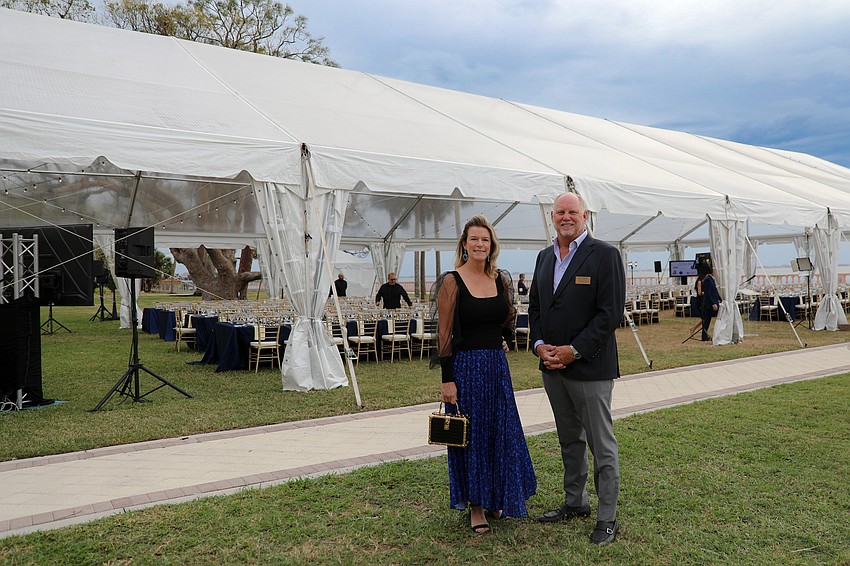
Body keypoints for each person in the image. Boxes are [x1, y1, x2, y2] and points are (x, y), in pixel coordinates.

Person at [529, 192, 625, 546]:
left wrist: (574, 351)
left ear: (585, 216)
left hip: (591, 367)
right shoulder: (544, 257)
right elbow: (535, 308)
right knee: (569, 438)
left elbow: (610, 313)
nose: (566, 217)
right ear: (552, 217)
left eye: (572, 212)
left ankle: (607, 518)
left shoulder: (605, 255)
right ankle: (576, 502)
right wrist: (540, 344)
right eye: (560, 212)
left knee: (601, 445)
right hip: (552, 367)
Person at [431, 214, 537, 535]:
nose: (480, 244)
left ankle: (497, 497)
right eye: (474, 239)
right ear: (464, 244)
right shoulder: (452, 281)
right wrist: (447, 379)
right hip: (466, 370)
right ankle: (476, 506)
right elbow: (444, 334)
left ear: (492, 245)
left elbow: (507, 316)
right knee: (473, 438)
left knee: (500, 433)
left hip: (496, 368)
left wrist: (503, 339)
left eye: (485, 240)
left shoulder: (500, 279)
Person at [700, 265, 721, 341]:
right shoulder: (708, 280)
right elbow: (708, 294)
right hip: (710, 304)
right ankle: (704, 336)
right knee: (707, 321)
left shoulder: (712, 279)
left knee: (708, 320)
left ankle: (705, 335)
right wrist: (713, 303)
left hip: (714, 302)